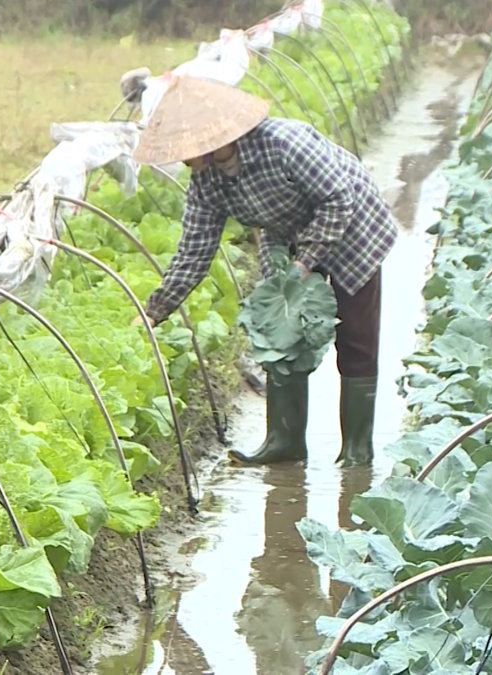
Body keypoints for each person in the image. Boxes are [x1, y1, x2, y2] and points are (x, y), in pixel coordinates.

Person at [129, 73, 396, 467]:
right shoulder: (206, 181)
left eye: (186, 149)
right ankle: (284, 442)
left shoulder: (285, 143)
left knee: (355, 339)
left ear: (212, 141)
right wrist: (153, 310)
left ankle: (357, 451)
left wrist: (306, 260)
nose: (183, 159)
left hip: (353, 226)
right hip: (285, 235)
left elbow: (338, 198)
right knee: (280, 333)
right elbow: (195, 249)